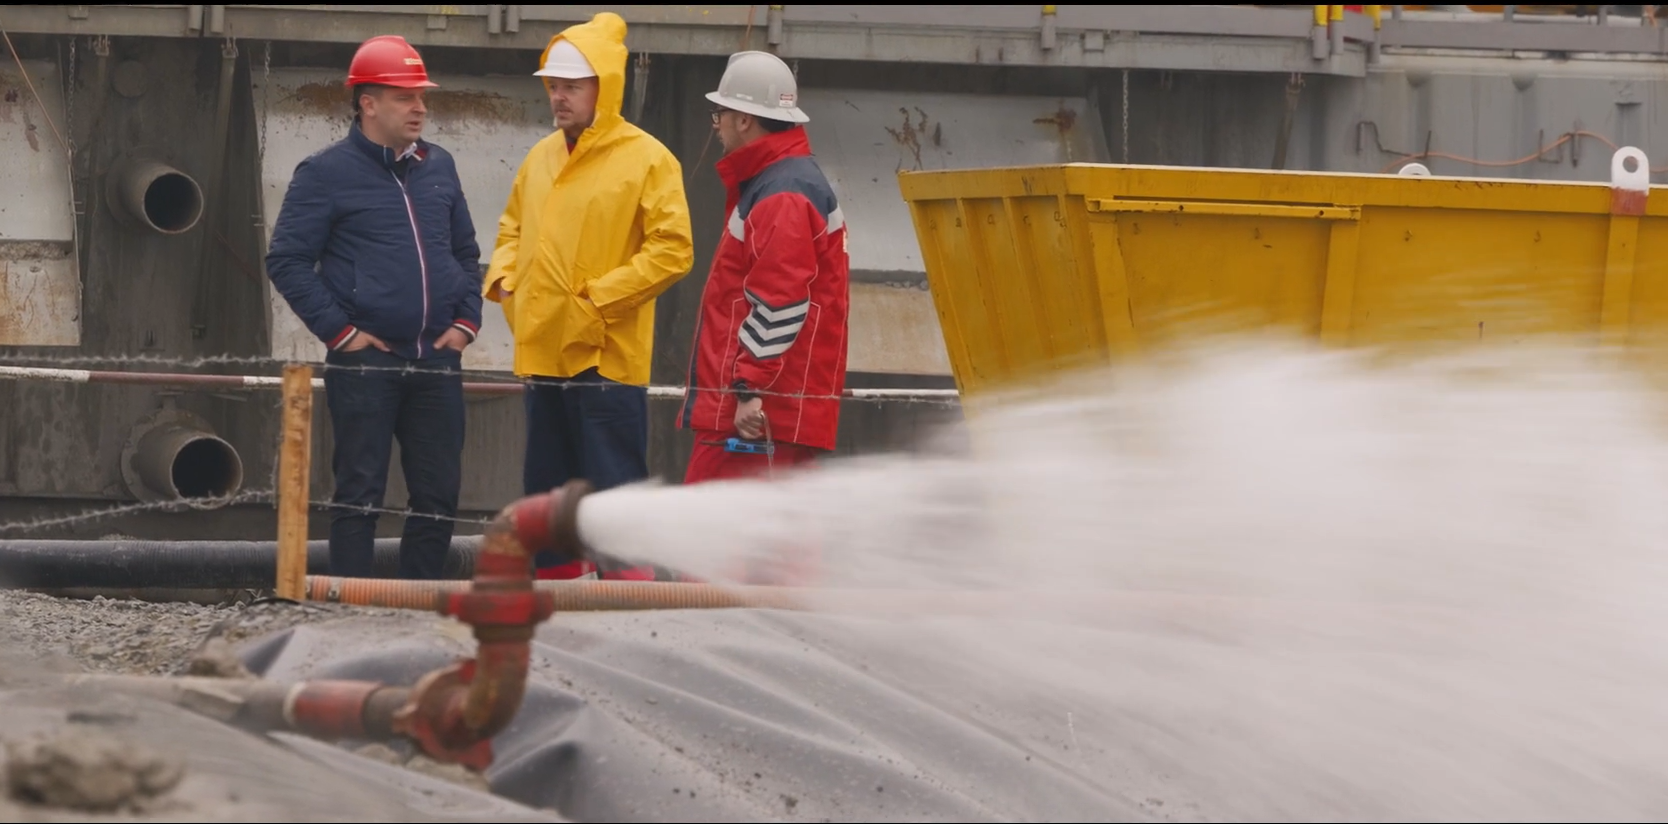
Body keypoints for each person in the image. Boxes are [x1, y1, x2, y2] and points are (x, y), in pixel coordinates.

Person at [483, 12, 695, 580]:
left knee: (613, 496)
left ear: (605, 86)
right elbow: (511, 231)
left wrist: (596, 301)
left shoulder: (648, 159)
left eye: (571, 86)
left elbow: (674, 250)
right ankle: (556, 617)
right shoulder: (539, 158)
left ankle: (629, 614)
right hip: (543, 355)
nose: (558, 97)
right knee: (548, 498)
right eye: (553, 85)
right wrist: (505, 280)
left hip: (607, 359)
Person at [265, 35, 482, 580]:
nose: (420, 108)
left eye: (422, 97)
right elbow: (287, 259)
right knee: (359, 494)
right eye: (406, 97)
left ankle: (418, 610)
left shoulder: (441, 167)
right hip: (366, 362)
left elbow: (465, 253)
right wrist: (342, 334)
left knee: (438, 496)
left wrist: (465, 323)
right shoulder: (325, 173)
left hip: (437, 359)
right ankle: (351, 610)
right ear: (368, 103)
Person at [679, 50, 851, 486]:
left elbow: (781, 303)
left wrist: (747, 389)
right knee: (774, 547)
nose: (715, 124)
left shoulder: (782, 193)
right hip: (774, 412)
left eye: (720, 113)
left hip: (755, 415)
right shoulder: (784, 182)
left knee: (717, 541)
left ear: (744, 119)